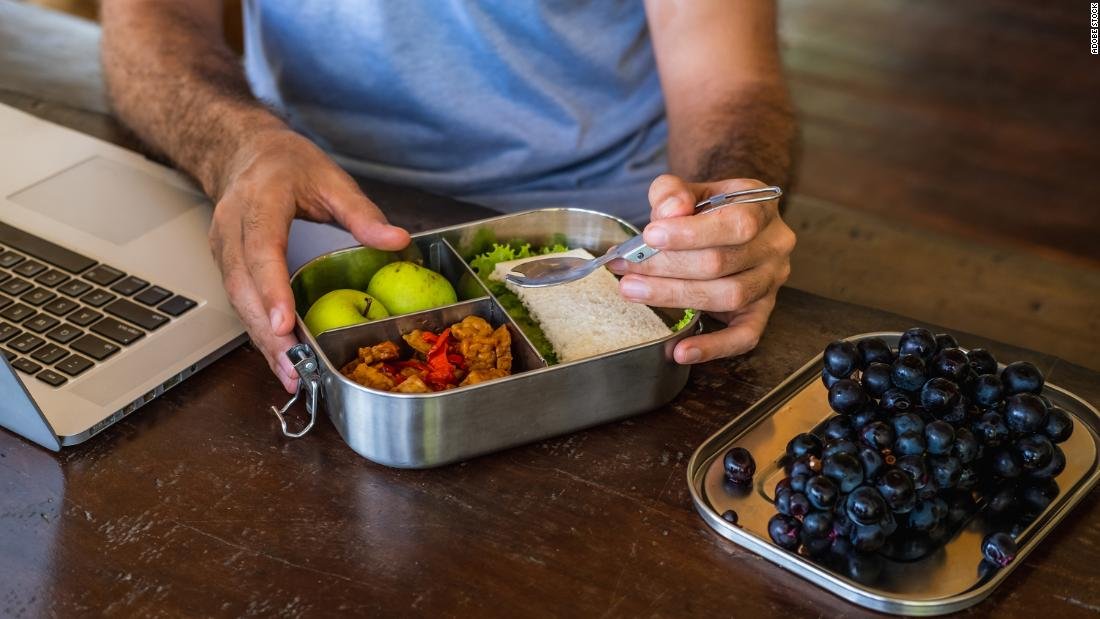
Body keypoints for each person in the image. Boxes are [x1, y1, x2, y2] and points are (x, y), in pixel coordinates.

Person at [100, 0, 797, 394]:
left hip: (614, 232)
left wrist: (726, 203)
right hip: (299, 195)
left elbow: (730, 80)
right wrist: (239, 147)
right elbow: (144, 22)